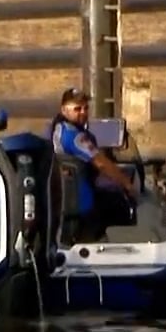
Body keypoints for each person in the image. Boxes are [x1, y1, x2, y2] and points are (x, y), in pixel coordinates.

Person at [48, 86, 140, 238]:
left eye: (86, 108)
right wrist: (127, 184)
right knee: (122, 204)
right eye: (77, 109)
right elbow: (102, 164)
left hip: (68, 201)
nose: (83, 112)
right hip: (84, 205)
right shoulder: (75, 136)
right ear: (64, 110)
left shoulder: (57, 129)